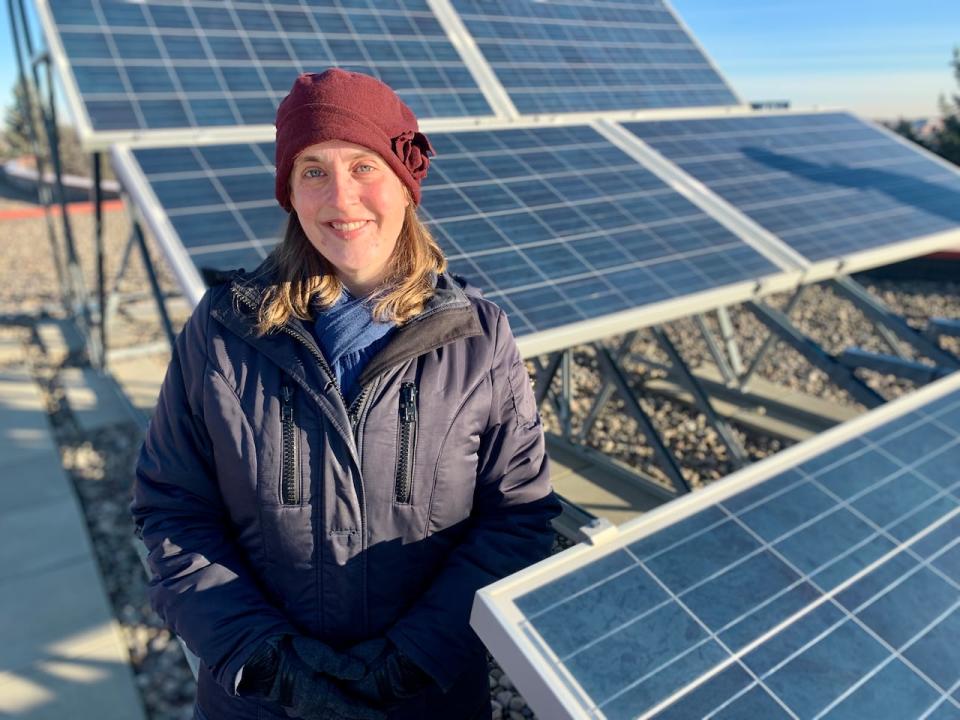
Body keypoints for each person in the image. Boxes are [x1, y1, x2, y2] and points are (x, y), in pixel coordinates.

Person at [131, 68, 561, 720]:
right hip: (261, 706)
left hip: (428, 701)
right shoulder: (220, 333)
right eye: (313, 170)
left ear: (404, 180)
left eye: (364, 166)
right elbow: (173, 512)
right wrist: (268, 662)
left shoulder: (477, 339)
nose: (341, 197)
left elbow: (517, 517)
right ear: (289, 192)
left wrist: (416, 658)